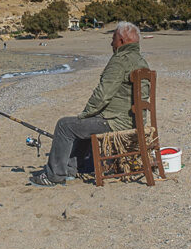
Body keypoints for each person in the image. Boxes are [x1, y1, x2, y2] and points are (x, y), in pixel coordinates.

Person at [30, 21, 146, 186]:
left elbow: (102, 95)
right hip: (134, 120)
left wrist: (85, 114)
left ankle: (54, 175)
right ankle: (73, 169)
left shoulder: (120, 60)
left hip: (117, 122)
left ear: (120, 40)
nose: (111, 43)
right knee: (82, 124)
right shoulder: (140, 60)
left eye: (112, 38)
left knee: (65, 125)